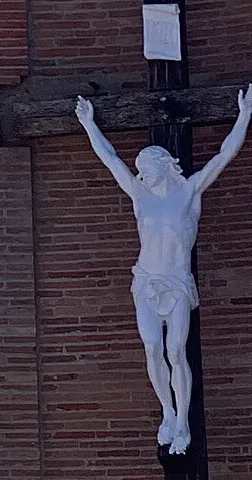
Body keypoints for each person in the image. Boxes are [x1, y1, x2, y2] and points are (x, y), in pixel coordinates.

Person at [77, 86, 252, 451]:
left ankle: (183, 420)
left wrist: (244, 116)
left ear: (162, 165)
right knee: (152, 347)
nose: (141, 175)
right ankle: (167, 412)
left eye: (146, 169)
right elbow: (111, 161)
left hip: (176, 283)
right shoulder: (140, 199)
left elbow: (223, 155)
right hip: (146, 281)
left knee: (176, 350)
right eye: (139, 171)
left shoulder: (189, 192)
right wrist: (90, 125)